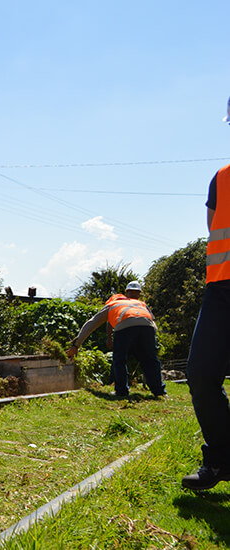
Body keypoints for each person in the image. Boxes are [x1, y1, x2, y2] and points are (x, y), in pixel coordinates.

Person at [181, 97, 230, 491]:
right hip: (221, 289)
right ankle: (221, 459)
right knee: (200, 373)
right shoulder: (221, 178)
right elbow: (213, 231)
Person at [65, 281, 166, 398]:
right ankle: (159, 392)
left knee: (119, 360)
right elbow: (153, 323)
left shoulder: (112, 305)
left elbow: (91, 324)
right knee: (151, 360)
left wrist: (76, 345)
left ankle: (121, 392)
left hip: (124, 327)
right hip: (147, 327)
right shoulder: (141, 303)